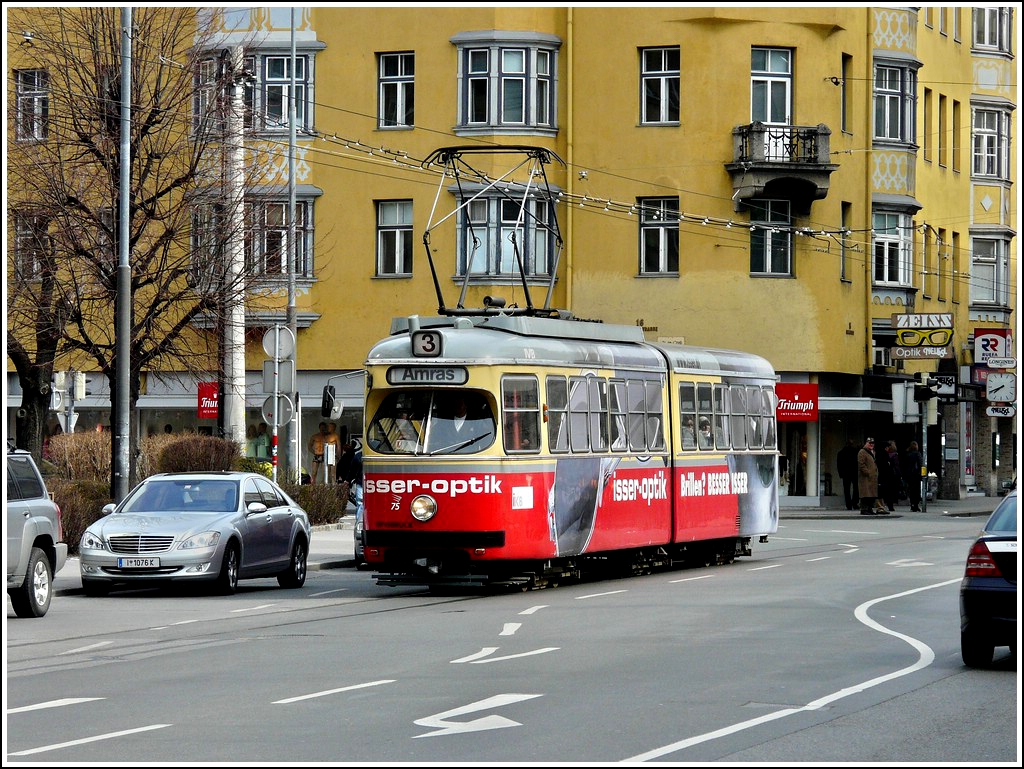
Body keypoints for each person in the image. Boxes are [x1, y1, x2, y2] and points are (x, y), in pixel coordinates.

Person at [858, 437, 884, 515]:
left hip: (872, 478)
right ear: (866, 443)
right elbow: (861, 464)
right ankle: (864, 509)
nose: (871, 445)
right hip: (866, 478)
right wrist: (867, 472)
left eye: (872, 443)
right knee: (865, 494)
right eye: (870, 443)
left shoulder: (871, 452)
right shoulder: (862, 452)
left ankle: (869, 508)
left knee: (871, 495)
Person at [878, 439, 903, 512]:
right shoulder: (892, 455)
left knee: (887, 491)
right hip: (891, 475)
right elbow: (895, 465)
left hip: (887, 475)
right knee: (890, 491)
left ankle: (886, 504)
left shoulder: (884, 454)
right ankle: (888, 505)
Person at [836, 438, 860, 510]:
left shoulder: (841, 453)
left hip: (845, 474)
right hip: (854, 473)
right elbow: (858, 463)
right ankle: (854, 503)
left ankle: (848, 504)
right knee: (856, 488)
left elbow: (839, 465)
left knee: (846, 490)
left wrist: (841, 474)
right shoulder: (855, 452)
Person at [901, 440, 923, 512]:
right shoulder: (917, 454)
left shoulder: (908, 454)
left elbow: (904, 465)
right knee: (917, 490)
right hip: (916, 474)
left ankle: (912, 504)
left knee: (911, 490)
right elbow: (920, 464)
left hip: (910, 474)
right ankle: (916, 505)